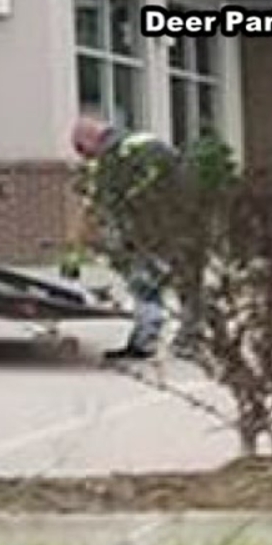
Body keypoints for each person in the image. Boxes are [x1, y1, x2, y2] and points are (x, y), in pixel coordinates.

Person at [70, 114, 182, 361]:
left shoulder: (113, 157)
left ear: (91, 137)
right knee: (181, 282)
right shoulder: (145, 142)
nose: (84, 156)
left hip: (147, 231)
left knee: (145, 286)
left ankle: (144, 342)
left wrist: (75, 256)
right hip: (181, 221)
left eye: (81, 148)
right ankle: (192, 340)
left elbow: (98, 209)